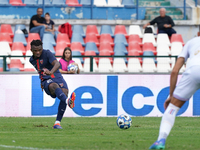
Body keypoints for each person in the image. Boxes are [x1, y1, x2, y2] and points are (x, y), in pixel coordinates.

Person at [149, 36, 200, 149]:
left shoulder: (191, 42)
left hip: (194, 71)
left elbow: (174, 71)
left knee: (172, 109)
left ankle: (160, 141)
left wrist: (171, 95)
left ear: (198, 32)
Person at [29, 40, 76, 129]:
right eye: (35, 50)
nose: (38, 52)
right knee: (53, 86)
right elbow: (40, 70)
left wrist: (50, 72)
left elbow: (57, 64)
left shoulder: (47, 53)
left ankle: (57, 123)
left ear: (42, 48)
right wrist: (41, 81)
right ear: (31, 50)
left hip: (56, 75)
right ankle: (68, 102)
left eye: (39, 49)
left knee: (65, 93)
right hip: (46, 79)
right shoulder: (31, 60)